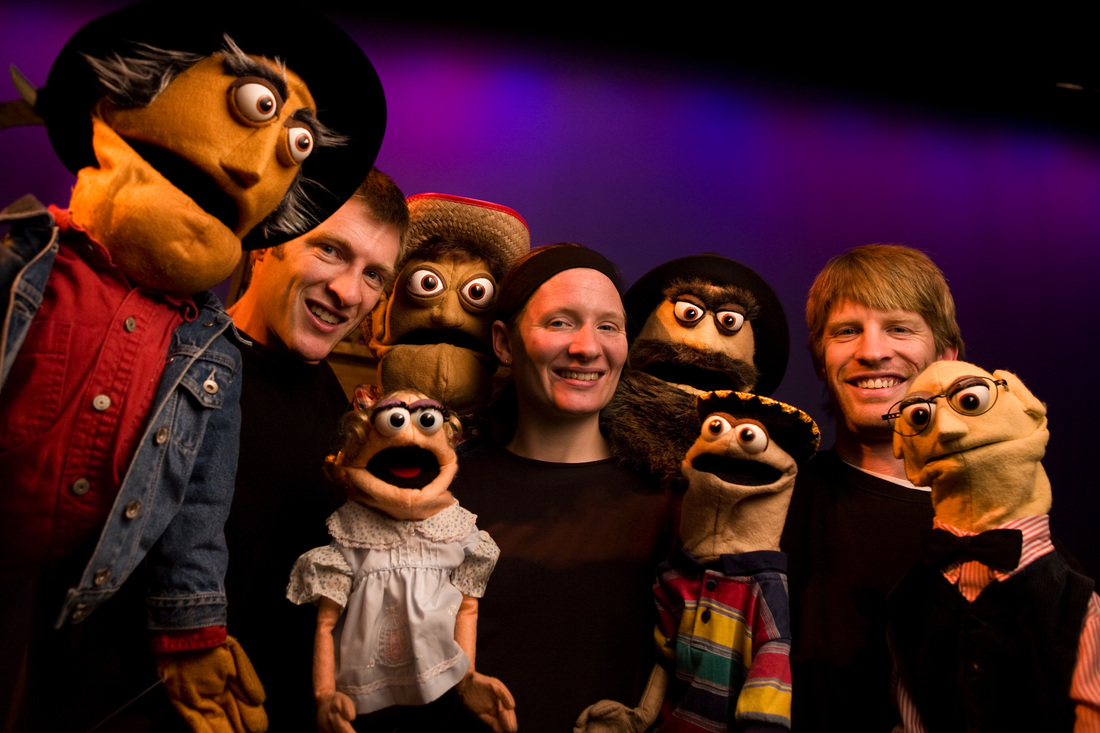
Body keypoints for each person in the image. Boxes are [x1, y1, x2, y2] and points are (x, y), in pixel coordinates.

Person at [450, 243, 677, 733]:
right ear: (504, 343)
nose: (587, 347)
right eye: (559, 322)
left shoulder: (667, 503)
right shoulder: (445, 493)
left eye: (608, 327)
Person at [223, 168, 408, 729]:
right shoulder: (177, 365)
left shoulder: (342, 415)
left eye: (373, 275)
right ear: (267, 242)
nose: (349, 293)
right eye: (330, 250)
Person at [779, 244, 962, 731]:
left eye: (899, 328)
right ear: (820, 360)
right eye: (846, 331)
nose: (872, 351)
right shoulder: (772, 500)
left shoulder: (997, 523)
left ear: (946, 357)